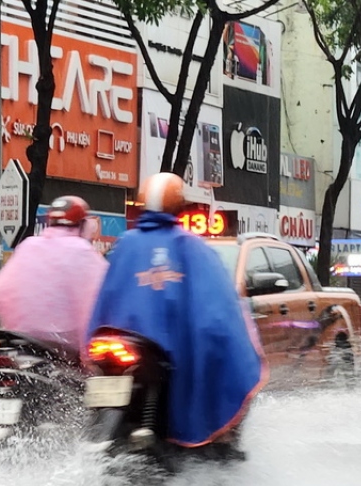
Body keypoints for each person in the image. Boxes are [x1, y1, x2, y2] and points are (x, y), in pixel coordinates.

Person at [85, 172, 266, 450]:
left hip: (118, 343)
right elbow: (218, 309)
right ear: (181, 206)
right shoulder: (192, 246)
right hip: (160, 352)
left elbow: (105, 297)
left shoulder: (125, 244)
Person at [0, 195, 108, 357]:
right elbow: (101, 298)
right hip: (64, 348)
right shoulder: (81, 251)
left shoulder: (28, 246)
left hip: (21, 341)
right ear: (82, 225)